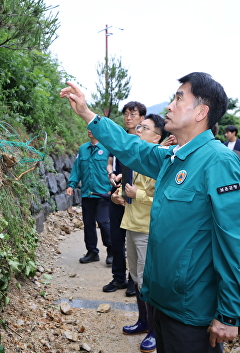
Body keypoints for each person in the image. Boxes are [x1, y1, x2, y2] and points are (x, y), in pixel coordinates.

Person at [60, 72, 240, 353]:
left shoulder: (219, 162)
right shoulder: (173, 158)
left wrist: (230, 314)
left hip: (191, 310)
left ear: (201, 111)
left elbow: (236, 243)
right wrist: (88, 114)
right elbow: (131, 147)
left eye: (178, 99)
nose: (169, 107)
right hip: (163, 302)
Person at [111, 114, 167, 353]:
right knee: (135, 277)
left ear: (157, 136)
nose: (138, 129)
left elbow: (166, 201)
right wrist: (118, 196)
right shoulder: (135, 159)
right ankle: (143, 322)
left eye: (144, 127)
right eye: (138, 126)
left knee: (147, 280)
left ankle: (155, 331)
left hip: (147, 227)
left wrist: (137, 196)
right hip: (131, 223)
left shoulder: (161, 162)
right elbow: (127, 190)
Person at [103, 101, 145, 294]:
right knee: (116, 238)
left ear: (142, 118)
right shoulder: (119, 139)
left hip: (135, 196)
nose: (128, 118)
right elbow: (110, 163)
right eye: (126, 114)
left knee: (135, 240)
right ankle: (118, 277)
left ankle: (132, 280)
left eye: (133, 114)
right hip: (117, 193)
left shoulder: (145, 140)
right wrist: (111, 175)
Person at [66, 130, 112, 264]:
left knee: (104, 223)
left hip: (104, 193)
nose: (90, 130)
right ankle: (92, 252)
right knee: (88, 224)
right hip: (87, 193)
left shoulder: (108, 148)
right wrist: (72, 184)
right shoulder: (83, 149)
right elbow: (77, 168)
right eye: (88, 128)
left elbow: (113, 169)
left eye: (94, 128)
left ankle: (111, 251)